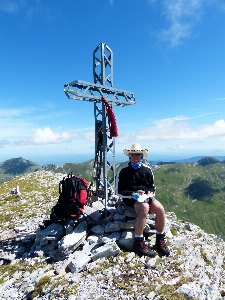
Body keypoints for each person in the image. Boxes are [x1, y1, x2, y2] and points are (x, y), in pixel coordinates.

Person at [116, 143, 170, 257]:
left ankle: (159, 240)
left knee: (160, 209)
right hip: (130, 199)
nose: (136, 157)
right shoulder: (123, 170)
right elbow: (119, 191)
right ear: (129, 156)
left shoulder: (147, 170)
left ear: (142, 156)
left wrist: (150, 193)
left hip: (146, 197)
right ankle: (138, 243)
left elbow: (152, 186)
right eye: (133, 154)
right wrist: (133, 194)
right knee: (144, 207)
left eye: (138, 155)